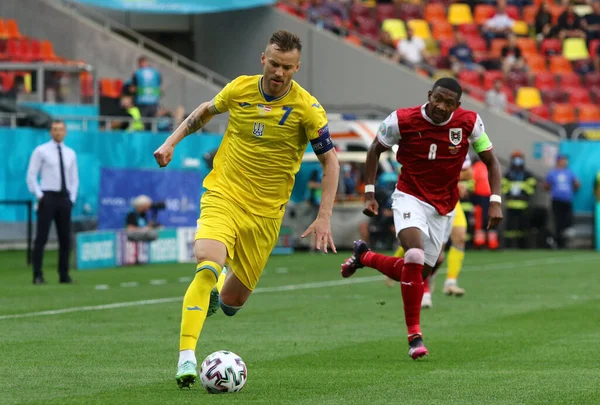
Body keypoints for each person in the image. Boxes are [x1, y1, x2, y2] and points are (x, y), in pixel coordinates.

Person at [153, 30, 340, 388]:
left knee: (231, 303)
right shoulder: (239, 88)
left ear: (296, 67)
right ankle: (186, 358)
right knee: (206, 265)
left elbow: (331, 162)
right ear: (263, 60)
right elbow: (205, 111)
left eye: (287, 67)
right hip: (224, 193)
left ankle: (218, 286)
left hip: (266, 215)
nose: (279, 72)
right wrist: (170, 142)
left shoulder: (307, 109)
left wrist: (324, 215)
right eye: (274, 64)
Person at [340, 78, 503, 360]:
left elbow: (491, 161)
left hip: (444, 206)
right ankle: (414, 336)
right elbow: (374, 150)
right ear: (429, 95)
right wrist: (369, 194)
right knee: (413, 255)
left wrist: (495, 200)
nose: (441, 106)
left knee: (416, 272)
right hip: (409, 196)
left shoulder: (470, 122)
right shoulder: (402, 120)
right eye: (437, 98)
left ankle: (364, 257)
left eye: (448, 103)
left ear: (457, 105)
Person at [392, 153, 474, 308]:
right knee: (424, 248)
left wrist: (452, 179)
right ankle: (423, 288)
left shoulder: (459, 139)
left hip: (450, 200)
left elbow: (468, 172)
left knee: (456, 241)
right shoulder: (425, 139)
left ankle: (449, 281)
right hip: (426, 199)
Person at [26, 120, 79, 285]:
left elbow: (74, 179)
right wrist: (40, 195)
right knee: (41, 238)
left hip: (64, 198)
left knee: (65, 239)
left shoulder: (70, 153)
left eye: (61, 129)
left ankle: (64, 274)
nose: (58, 132)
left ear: (65, 132)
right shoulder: (41, 151)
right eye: (55, 130)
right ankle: (37, 274)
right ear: (50, 132)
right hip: (47, 197)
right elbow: (31, 175)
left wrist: (72, 199)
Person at [502, 150, 537, 249]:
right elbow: (504, 187)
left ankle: (523, 246)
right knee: (510, 227)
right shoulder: (508, 174)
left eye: (519, 159)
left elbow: (532, 187)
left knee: (523, 226)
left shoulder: (527, 174)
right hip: (511, 204)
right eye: (515, 159)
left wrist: (523, 191)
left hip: (523, 204)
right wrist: (509, 193)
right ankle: (509, 245)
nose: (517, 161)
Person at [544, 155, 580, 249]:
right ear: (558, 161)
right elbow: (546, 185)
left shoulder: (569, 173)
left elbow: (577, 184)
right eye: (563, 160)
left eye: (565, 160)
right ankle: (558, 242)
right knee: (558, 221)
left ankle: (565, 242)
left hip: (567, 200)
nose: (565, 162)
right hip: (556, 200)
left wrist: (570, 190)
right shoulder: (553, 173)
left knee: (567, 221)